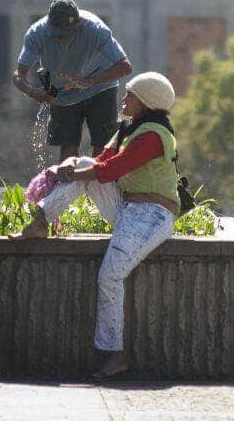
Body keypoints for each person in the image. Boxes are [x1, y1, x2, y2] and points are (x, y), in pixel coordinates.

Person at [11, 72, 181, 379]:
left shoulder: (154, 135)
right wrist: (69, 164)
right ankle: (40, 220)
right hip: (129, 207)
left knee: (110, 276)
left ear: (146, 102)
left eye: (130, 95)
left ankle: (113, 354)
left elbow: (117, 168)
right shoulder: (131, 128)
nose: (125, 99)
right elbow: (101, 159)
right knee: (86, 164)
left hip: (152, 214)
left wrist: (72, 175)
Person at [13, 0, 132, 161]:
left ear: (80, 23)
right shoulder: (37, 33)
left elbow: (125, 67)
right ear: (48, 25)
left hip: (100, 85)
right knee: (68, 144)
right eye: (57, 35)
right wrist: (33, 93)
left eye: (68, 35)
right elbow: (19, 75)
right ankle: (69, 184)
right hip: (62, 92)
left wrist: (88, 82)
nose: (63, 40)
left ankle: (98, 185)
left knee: (102, 144)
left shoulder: (96, 29)